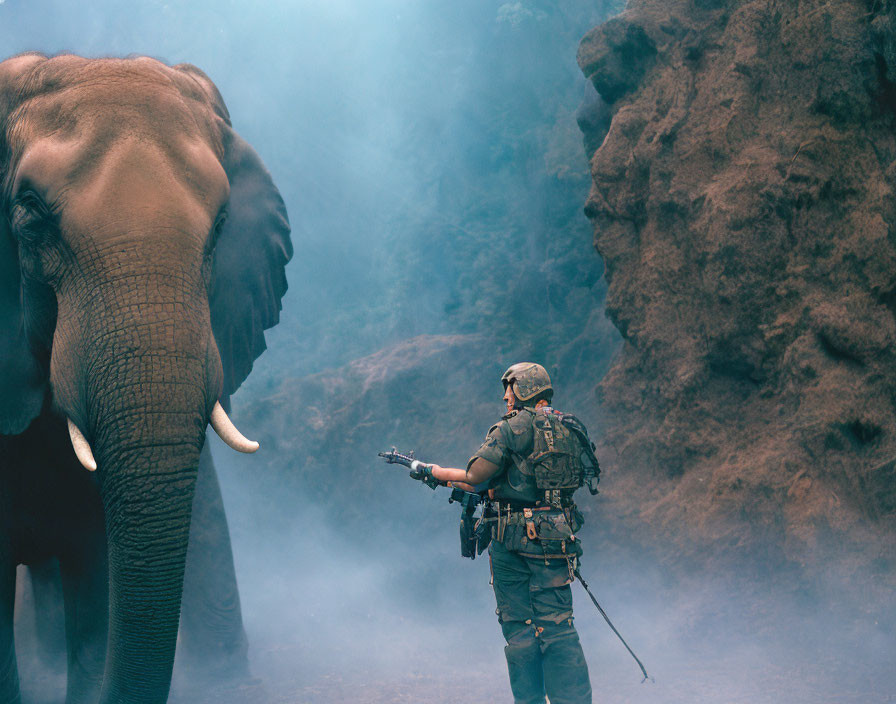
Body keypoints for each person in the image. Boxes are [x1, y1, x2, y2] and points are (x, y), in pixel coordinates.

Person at [426, 362, 593, 704]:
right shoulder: (571, 427)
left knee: (520, 629)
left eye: (511, 388)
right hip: (558, 540)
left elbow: (476, 474)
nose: (506, 396)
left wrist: (434, 471)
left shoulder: (512, 428)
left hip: (512, 543)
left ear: (526, 390)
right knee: (559, 625)